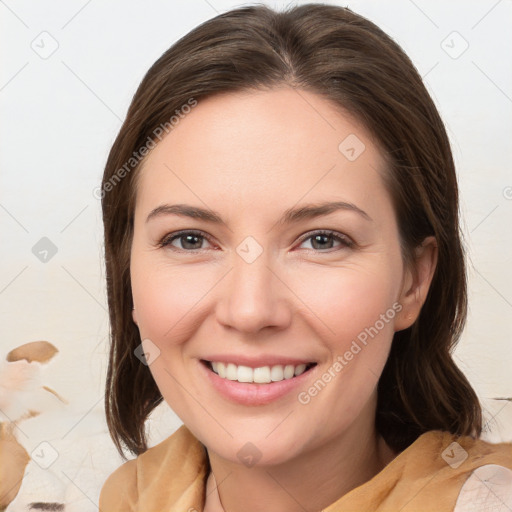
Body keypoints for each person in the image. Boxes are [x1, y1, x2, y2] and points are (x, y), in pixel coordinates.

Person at [97, 3, 512, 511]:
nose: (249, 311)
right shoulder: (130, 497)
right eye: (189, 239)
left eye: (322, 240)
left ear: (414, 280)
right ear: (128, 272)